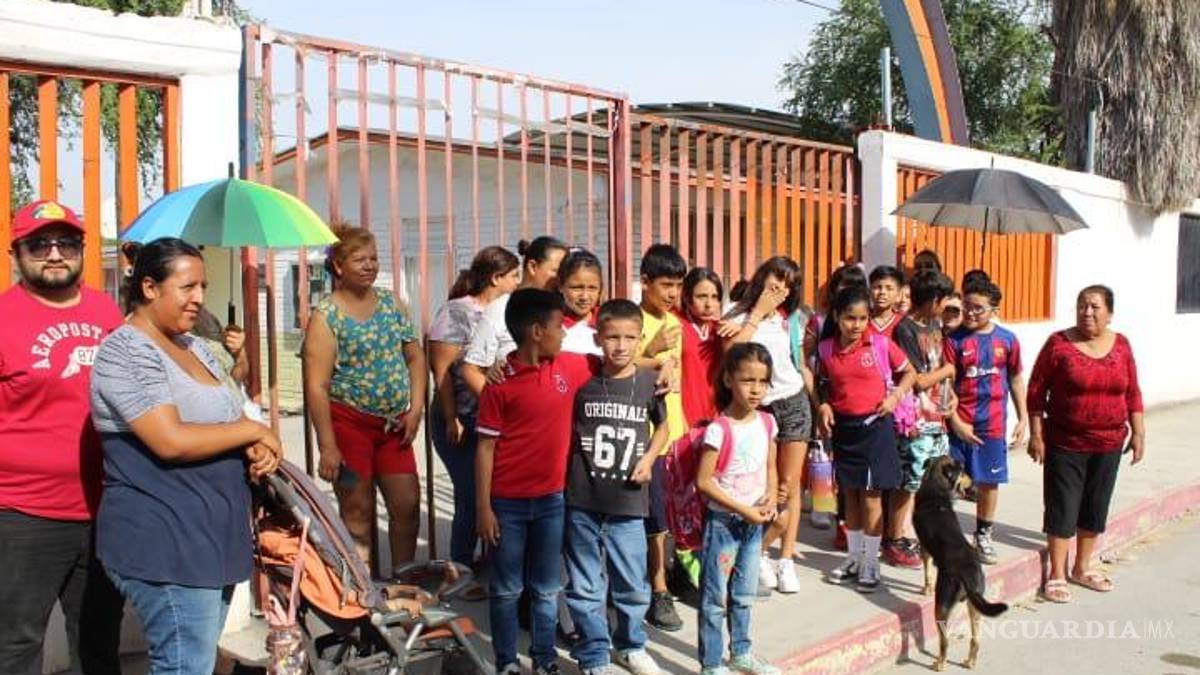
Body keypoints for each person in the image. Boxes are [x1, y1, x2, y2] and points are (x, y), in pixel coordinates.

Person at [90, 238, 282, 675]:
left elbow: (229, 412)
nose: (199, 298)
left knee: (199, 661)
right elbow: (170, 440)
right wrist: (254, 431)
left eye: (203, 287)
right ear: (149, 287)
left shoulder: (193, 345)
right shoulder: (127, 350)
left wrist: (254, 445)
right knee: (184, 665)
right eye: (187, 287)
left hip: (210, 536)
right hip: (167, 541)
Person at [0, 200, 125, 675]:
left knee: (99, 641)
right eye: (39, 244)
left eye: (66, 243)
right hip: (22, 514)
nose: (54, 254)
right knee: (16, 644)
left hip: (105, 507)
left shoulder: (105, 310)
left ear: (81, 250)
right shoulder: (3, 316)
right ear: (16, 253)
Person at [474, 288, 598, 675]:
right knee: (506, 590)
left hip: (551, 502)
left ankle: (544, 659)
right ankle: (507, 662)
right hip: (506, 506)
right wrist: (483, 509)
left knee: (546, 588)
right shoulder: (499, 384)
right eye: (558, 326)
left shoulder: (568, 367)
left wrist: (660, 363)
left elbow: (614, 360)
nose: (564, 333)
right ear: (536, 332)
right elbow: (485, 449)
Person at [303, 224, 428, 570]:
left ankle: (404, 583)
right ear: (338, 265)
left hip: (394, 426)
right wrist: (328, 445)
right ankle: (364, 590)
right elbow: (317, 386)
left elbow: (416, 358)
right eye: (360, 259)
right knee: (356, 512)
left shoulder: (391, 304)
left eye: (373, 258)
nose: (370, 265)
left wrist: (416, 409)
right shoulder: (326, 316)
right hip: (349, 425)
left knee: (407, 505)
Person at [564, 299, 668, 675]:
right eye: (612, 337)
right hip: (583, 500)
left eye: (629, 338)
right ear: (598, 338)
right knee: (585, 585)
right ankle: (594, 653)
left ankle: (631, 645)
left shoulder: (650, 383)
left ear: (640, 339)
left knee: (632, 584)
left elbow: (663, 428)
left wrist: (649, 459)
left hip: (628, 503)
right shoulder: (582, 380)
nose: (621, 346)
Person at [1027, 285, 1145, 603]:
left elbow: (1133, 391)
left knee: (1095, 505)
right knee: (1062, 506)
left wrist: (1138, 432)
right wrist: (1036, 434)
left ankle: (1082, 567)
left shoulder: (1122, 345)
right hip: (1065, 441)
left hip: (1109, 442)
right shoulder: (1058, 344)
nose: (1087, 312)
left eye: (1094, 306)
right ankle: (1057, 573)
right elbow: (1036, 391)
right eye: (1082, 305)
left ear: (1110, 313)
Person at [719, 256, 814, 595]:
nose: (781, 287)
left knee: (790, 486)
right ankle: (757, 553)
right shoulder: (736, 314)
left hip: (794, 402)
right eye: (777, 278)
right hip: (760, 408)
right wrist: (757, 312)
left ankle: (785, 558)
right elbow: (732, 354)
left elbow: (798, 364)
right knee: (763, 486)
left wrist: (818, 401)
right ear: (762, 276)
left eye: (789, 283)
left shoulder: (791, 320)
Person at [426, 246, 520, 580]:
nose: (517, 282)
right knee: (470, 494)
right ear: (496, 278)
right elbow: (441, 372)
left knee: (492, 494)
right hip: (461, 418)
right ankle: (461, 568)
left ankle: (489, 565)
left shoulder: (507, 311)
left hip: (493, 418)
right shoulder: (457, 312)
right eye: (513, 276)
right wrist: (452, 417)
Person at [816, 285, 916, 593]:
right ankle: (854, 557)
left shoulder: (881, 345)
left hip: (875, 429)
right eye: (850, 318)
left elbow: (910, 373)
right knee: (851, 496)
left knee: (871, 499)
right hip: (845, 430)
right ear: (837, 316)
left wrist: (895, 397)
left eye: (862, 318)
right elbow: (823, 383)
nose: (856, 325)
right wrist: (824, 404)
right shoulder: (825, 349)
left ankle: (871, 563)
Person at [695, 343, 780, 675]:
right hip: (723, 524)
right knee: (715, 598)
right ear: (728, 380)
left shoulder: (767, 423)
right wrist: (744, 510)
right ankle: (711, 663)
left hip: (753, 524)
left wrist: (771, 496)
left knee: (744, 595)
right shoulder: (719, 429)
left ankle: (741, 653)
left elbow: (771, 467)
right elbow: (704, 481)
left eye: (762, 381)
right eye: (748, 380)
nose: (756, 389)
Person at [943, 279, 1028, 565]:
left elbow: (1015, 378)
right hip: (958, 427)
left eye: (978, 308)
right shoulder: (953, 340)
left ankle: (983, 536)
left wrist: (1023, 417)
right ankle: (949, 539)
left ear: (994, 310)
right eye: (966, 306)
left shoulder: (1008, 340)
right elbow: (945, 386)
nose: (970, 312)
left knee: (989, 482)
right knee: (950, 484)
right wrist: (956, 423)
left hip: (992, 426)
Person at [632, 243, 688, 631]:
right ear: (645, 282)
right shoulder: (631, 319)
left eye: (678, 286)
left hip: (674, 434)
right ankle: (658, 591)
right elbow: (618, 364)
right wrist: (651, 351)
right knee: (652, 522)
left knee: (670, 517)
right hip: (645, 437)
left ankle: (672, 572)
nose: (673, 293)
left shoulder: (674, 322)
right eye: (666, 285)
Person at [886, 271, 957, 569]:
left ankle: (919, 533)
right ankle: (895, 538)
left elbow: (939, 368)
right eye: (944, 300)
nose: (946, 307)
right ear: (932, 300)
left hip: (937, 415)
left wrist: (950, 395)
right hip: (915, 419)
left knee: (935, 478)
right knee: (910, 480)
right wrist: (948, 371)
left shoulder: (934, 325)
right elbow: (918, 380)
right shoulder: (905, 330)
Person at [461, 236, 569, 394]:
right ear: (532, 266)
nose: (561, 279)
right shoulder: (500, 309)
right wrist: (497, 402)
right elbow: (471, 370)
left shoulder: (566, 308)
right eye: (556, 271)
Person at [677, 267, 724, 427]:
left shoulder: (721, 330)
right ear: (686, 297)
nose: (709, 304)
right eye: (701, 296)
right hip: (683, 417)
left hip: (714, 416)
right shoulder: (675, 324)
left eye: (714, 297)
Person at [557, 249, 605, 356]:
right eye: (577, 288)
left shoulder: (608, 323)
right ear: (560, 285)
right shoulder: (552, 327)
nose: (584, 296)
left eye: (592, 288)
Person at [868, 265, 906, 338]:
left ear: (899, 294)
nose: (882, 292)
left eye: (889, 288)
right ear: (869, 291)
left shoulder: (903, 323)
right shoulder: (862, 320)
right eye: (877, 287)